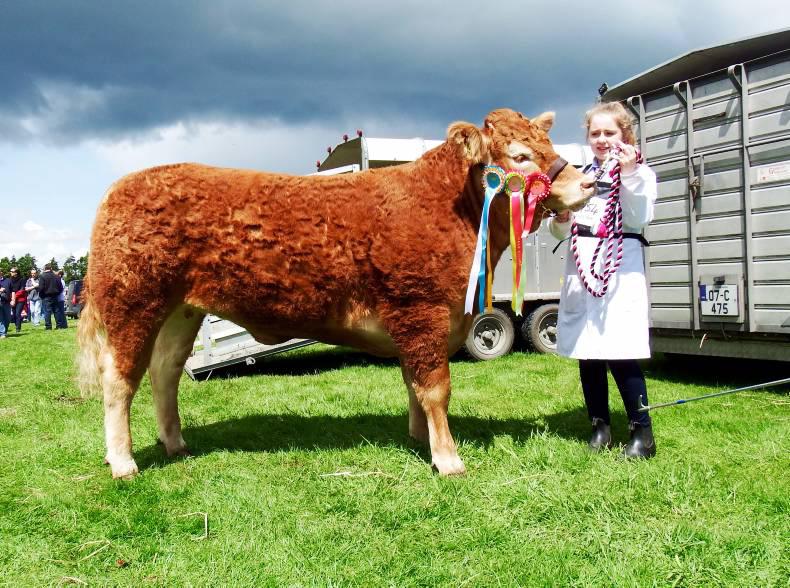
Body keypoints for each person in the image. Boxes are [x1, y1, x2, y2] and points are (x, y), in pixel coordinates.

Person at [548, 101, 658, 459]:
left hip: (619, 270)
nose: (601, 139)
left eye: (609, 132)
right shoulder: (579, 177)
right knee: (589, 354)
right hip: (582, 274)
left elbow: (640, 216)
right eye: (595, 133)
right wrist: (562, 217)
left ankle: (642, 432)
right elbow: (558, 232)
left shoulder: (640, 174)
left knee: (621, 353)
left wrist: (629, 174)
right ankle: (600, 427)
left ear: (624, 134)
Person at [38, 264, 65, 330]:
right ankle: (59, 325)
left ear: (44, 268)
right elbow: (61, 287)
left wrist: (41, 295)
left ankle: (48, 326)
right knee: (56, 311)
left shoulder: (42, 276)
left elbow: (41, 288)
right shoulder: (56, 276)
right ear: (51, 268)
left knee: (47, 311)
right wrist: (57, 293)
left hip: (46, 296)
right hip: (55, 295)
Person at [9, 267, 28, 334]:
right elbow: (9, 290)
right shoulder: (9, 280)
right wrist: (11, 298)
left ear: (16, 272)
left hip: (20, 299)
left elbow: (22, 290)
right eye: (10, 271)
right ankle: (17, 325)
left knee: (17, 313)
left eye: (12, 271)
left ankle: (18, 328)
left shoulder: (22, 280)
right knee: (14, 314)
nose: (10, 272)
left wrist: (14, 296)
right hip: (12, 300)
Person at [0, 269, 11, 339]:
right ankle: (2, 333)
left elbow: (12, 290)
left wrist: (13, 299)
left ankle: (5, 331)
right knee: (1, 318)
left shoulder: (7, 280)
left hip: (6, 301)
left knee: (8, 318)